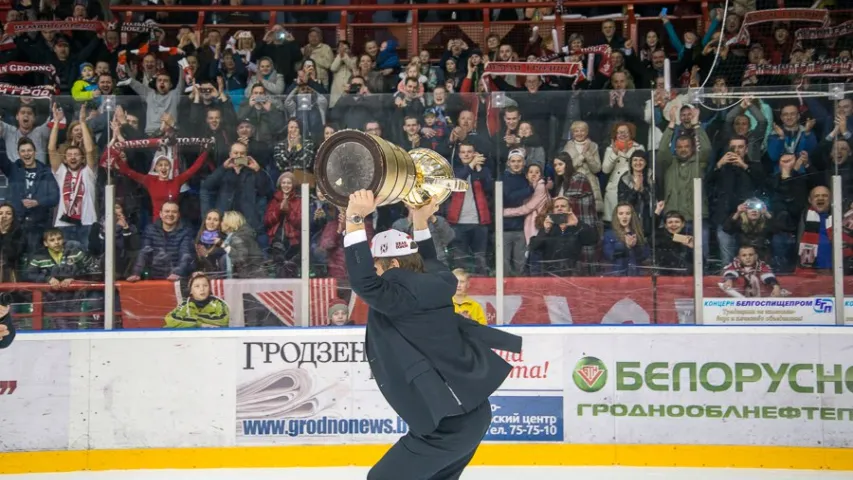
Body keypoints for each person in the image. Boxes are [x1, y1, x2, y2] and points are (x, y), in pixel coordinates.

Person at [342, 189, 522, 480]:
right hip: (467, 415)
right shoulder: (434, 281)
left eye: (377, 265)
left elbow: (364, 282)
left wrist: (355, 219)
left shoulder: (400, 296)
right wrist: (421, 220)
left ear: (395, 266)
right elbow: (429, 259)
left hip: (449, 425)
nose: (373, 272)